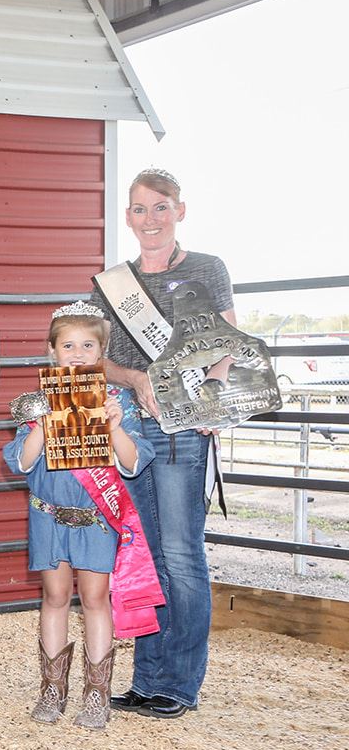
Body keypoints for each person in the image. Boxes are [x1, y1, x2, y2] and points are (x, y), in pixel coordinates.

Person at [90, 168, 235, 719]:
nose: (149, 219)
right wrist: (133, 379)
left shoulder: (206, 268)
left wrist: (214, 399)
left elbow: (225, 342)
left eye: (160, 207)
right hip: (126, 423)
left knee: (180, 552)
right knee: (144, 556)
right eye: (138, 209)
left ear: (180, 210)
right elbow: (95, 356)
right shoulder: (112, 283)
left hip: (181, 426)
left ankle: (178, 683)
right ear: (127, 216)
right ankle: (147, 678)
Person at [4, 303, 152, 730]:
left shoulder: (116, 400)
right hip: (49, 518)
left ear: (101, 351)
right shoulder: (36, 403)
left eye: (88, 345)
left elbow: (135, 461)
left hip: (96, 519)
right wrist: (42, 427)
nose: (77, 353)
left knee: (94, 599)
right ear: (52, 351)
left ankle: (96, 694)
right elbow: (19, 462)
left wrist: (116, 426)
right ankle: (52, 690)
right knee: (52, 598)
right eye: (68, 344)